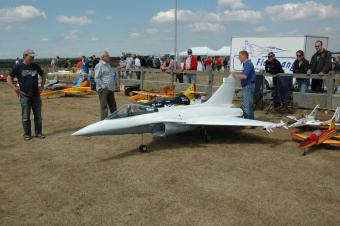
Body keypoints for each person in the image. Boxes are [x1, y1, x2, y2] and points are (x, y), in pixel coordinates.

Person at [7, 49, 46, 140]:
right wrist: (15, 88)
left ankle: (38, 133)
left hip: (36, 95)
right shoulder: (18, 67)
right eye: (31, 56)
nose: (32, 58)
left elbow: (43, 75)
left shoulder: (35, 66)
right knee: (25, 117)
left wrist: (42, 86)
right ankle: (27, 134)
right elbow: (9, 78)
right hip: (24, 96)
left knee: (38, 116)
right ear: (25, 56)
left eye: (33, 56)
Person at [232, 50, 256, 119]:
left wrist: (235, 74)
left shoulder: (248, 64)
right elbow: (244, 74)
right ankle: (250, 121)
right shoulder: (246, 64)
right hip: (248, 86)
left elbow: (244, 76)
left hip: (248, 86)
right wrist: (236, 73)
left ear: (244, 56)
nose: (239, 58)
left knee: (247, 105)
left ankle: (248, 121)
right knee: (248, 105)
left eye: (240, 56)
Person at [94, 51, 117, 120]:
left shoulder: (108, 65)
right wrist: (103, 86)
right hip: (103, 89)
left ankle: (115, 119)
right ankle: (104, 121)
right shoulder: (99, 65)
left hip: (110, 89)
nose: (109, 57)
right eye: (107, 56)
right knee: (104, 106)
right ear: (103, 57)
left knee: (113, 106)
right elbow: (96, 78)